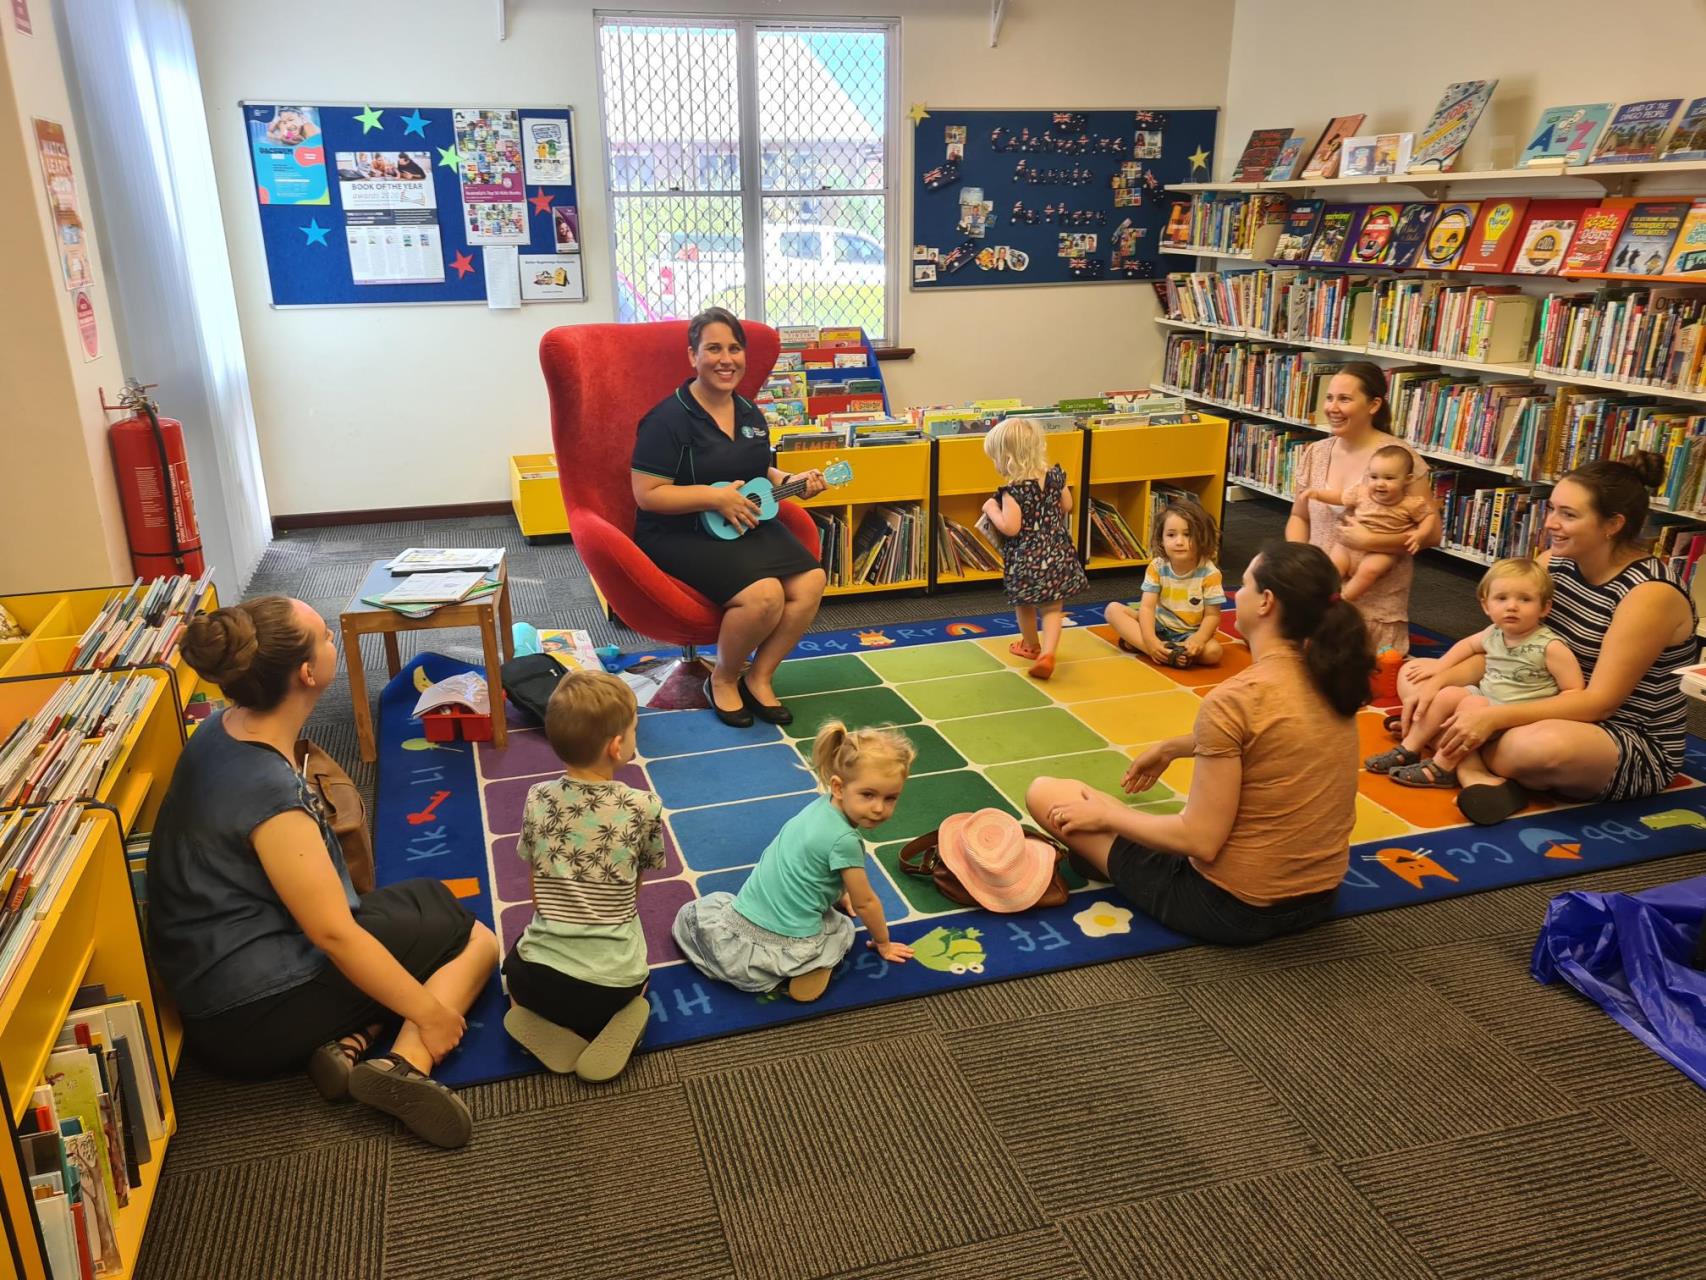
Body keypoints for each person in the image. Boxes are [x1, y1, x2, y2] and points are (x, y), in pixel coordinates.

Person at [146, 598, 499, 1149]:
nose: (334, 639)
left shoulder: (221, 729)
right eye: (326, 637)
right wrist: (432, 1015)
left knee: (428, 897)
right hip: (249, 1011)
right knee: (476, 940)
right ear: (307, 673)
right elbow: (333, 933)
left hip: (213, 975)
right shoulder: (271, 795)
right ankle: (408, 1062)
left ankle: (351, 1042)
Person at [1027, 542, 1372, 945]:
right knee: (1118, 812)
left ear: (1265, 602)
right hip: (1321, 896)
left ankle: (1110, 843)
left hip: (1231, 908)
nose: (1232, 594)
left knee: (1049, 794)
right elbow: (1278, 735)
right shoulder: (1332, 679)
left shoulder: (1234, 699)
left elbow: (1200, 840)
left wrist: (1108, 816)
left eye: (1242, 585)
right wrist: (1175, 746)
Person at [1413, 455, 1697, 825]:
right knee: (1419, 680)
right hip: (1540, 696)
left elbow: (1599, 705)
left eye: (1568, 514)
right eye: (1551, 509)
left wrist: (1492, 717)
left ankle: (1461, 752)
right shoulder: (1556, 561)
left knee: (1529, 748)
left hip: (1623, 734)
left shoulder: (1649, 594)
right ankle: (1475, 774)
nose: (1550, 523)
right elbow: (1511, 648)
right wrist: (1439, 678)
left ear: (1613, 524)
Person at [631, 307, 827, 729]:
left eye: (735, 349)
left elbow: (757, 470)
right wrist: (714, 498)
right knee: (764, 596)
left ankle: (759, 677)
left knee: (812, 581)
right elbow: (646, 496)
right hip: (677, 531)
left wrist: (791, 479)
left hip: (742, 522)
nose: (726, 359)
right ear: (692, 356)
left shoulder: (751, 415)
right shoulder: (666, 420)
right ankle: (722, 679)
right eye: (713, 348)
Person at [672, 721, 915, 999]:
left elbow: (813, 864)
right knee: (841, 929)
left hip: (743, 916)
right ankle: (808, 966)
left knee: (701, 913)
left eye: (891, 798)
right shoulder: (845, 841)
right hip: (789, 937)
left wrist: (839, 890)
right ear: (838, 787)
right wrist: (883, 943)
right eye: (868, 795)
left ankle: (758, 958)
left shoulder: (819, 808)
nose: (878, 808)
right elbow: (866, 902)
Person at [500, 671, 661, 1083]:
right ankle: (624, 1015)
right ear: (616, 746)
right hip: (612, 987)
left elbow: (537, 886)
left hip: (539, 982)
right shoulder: (643, 806)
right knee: (638, 972)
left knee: (512, 968)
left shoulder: (537, 798)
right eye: (633, 729)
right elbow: (635, 887)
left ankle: (532, 1017)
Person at [1368, 557, 1584, 789]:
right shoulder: (1494, 632)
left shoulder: (1550, 647)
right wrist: (1441, 667)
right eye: (1502, 598)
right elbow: (1468, 645)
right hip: (1486, 699)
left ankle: (1443, 766)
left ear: (1544, 608)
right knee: (1448, 694)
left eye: (1525, 599)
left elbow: (1574, 690)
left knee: (1473, 705)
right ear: (1486, 606)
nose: (1512, 606)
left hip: (1513, 716)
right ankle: (1410, 748)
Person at [1285, 362, 1440, 654]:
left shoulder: (1401, 459)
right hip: (1320, 583)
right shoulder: (1315, 453)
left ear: (1374, 405)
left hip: (1372, 594)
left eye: (1344, 399)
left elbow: (1431, 534)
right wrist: (1301, 564)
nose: (1333, 407)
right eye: (1330, 398)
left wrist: (1372, 541)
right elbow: (1298, 516)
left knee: (1340, 664)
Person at [980, 417, 1089, 680]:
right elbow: (1067, 506)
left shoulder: (1014, 491)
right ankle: (1049, 653)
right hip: (1056, 551)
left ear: (1006, 458)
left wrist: (991, 509)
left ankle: (1030, 645)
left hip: (1027, 558)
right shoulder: (1054, 477)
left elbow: (1010, 527)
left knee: (1025, 603)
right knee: (1053, 607)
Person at [1295, 443, 1438, 602]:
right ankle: (1325, 592)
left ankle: (1345, 597)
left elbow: (1428, 516)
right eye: (1374, 477)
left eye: (1389, 478)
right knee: (1334, 564)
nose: (1380, 483)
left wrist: (1421, 533)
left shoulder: (1410, 504)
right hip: (1348, 545)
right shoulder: (1361, 492)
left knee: (1370, 570)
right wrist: (1317, 494)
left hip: (1382, 551)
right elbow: (1340, 497)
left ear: (1407, 479)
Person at [1104, 498, 1225, 667]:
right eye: (1171, 535)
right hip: (1157, 625)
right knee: (1113, 610)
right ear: (1161, 539)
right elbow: (1147, 607)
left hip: (1188, 636)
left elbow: (1213, 615)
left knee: (1213, 653)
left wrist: (1198, 639)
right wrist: (1150, 639)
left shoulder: (1210, 573)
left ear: (1202, 536)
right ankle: (1159, 651)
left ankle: (1161, 650)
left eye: (1187, 534)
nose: (1179, 541)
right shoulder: (1157, 566)